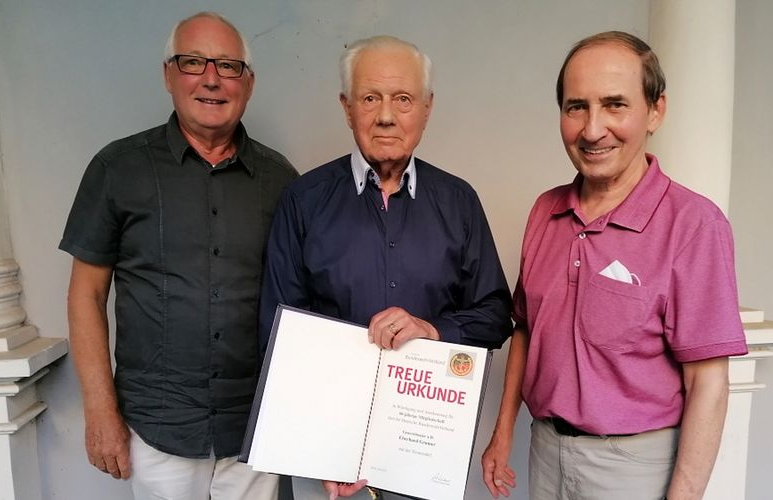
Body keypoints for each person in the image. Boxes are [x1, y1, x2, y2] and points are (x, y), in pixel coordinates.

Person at [481, 31, 748, 500]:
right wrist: (503, 432)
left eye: (615, 105)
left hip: (635, 469)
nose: (592, 129)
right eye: (576, 106)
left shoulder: (694, 225)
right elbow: (525, 329)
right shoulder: (545, 211)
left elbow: (708, 381)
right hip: (544, 451)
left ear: (656, 111)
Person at [259, 35, 512, 500]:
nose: (387, 115)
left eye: (403, 99)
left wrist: (433, 330)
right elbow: (279, 331)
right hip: (329, 460)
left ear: (427, 107)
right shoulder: (304, 201)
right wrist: (316, 450)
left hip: (424, 451)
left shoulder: (459, 203)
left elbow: (496, 314)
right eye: (370, 98)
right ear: (347, 107)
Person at [60, 12, 297, 500]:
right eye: (193, 62)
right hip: (157, 424)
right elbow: (86, 294)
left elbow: (301, 299)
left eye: (228, 66)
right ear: (169, 74)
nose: (211, 78)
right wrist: (100, 410)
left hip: (254, 427)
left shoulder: (282, 181)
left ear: (248, 84)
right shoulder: (117, 169)